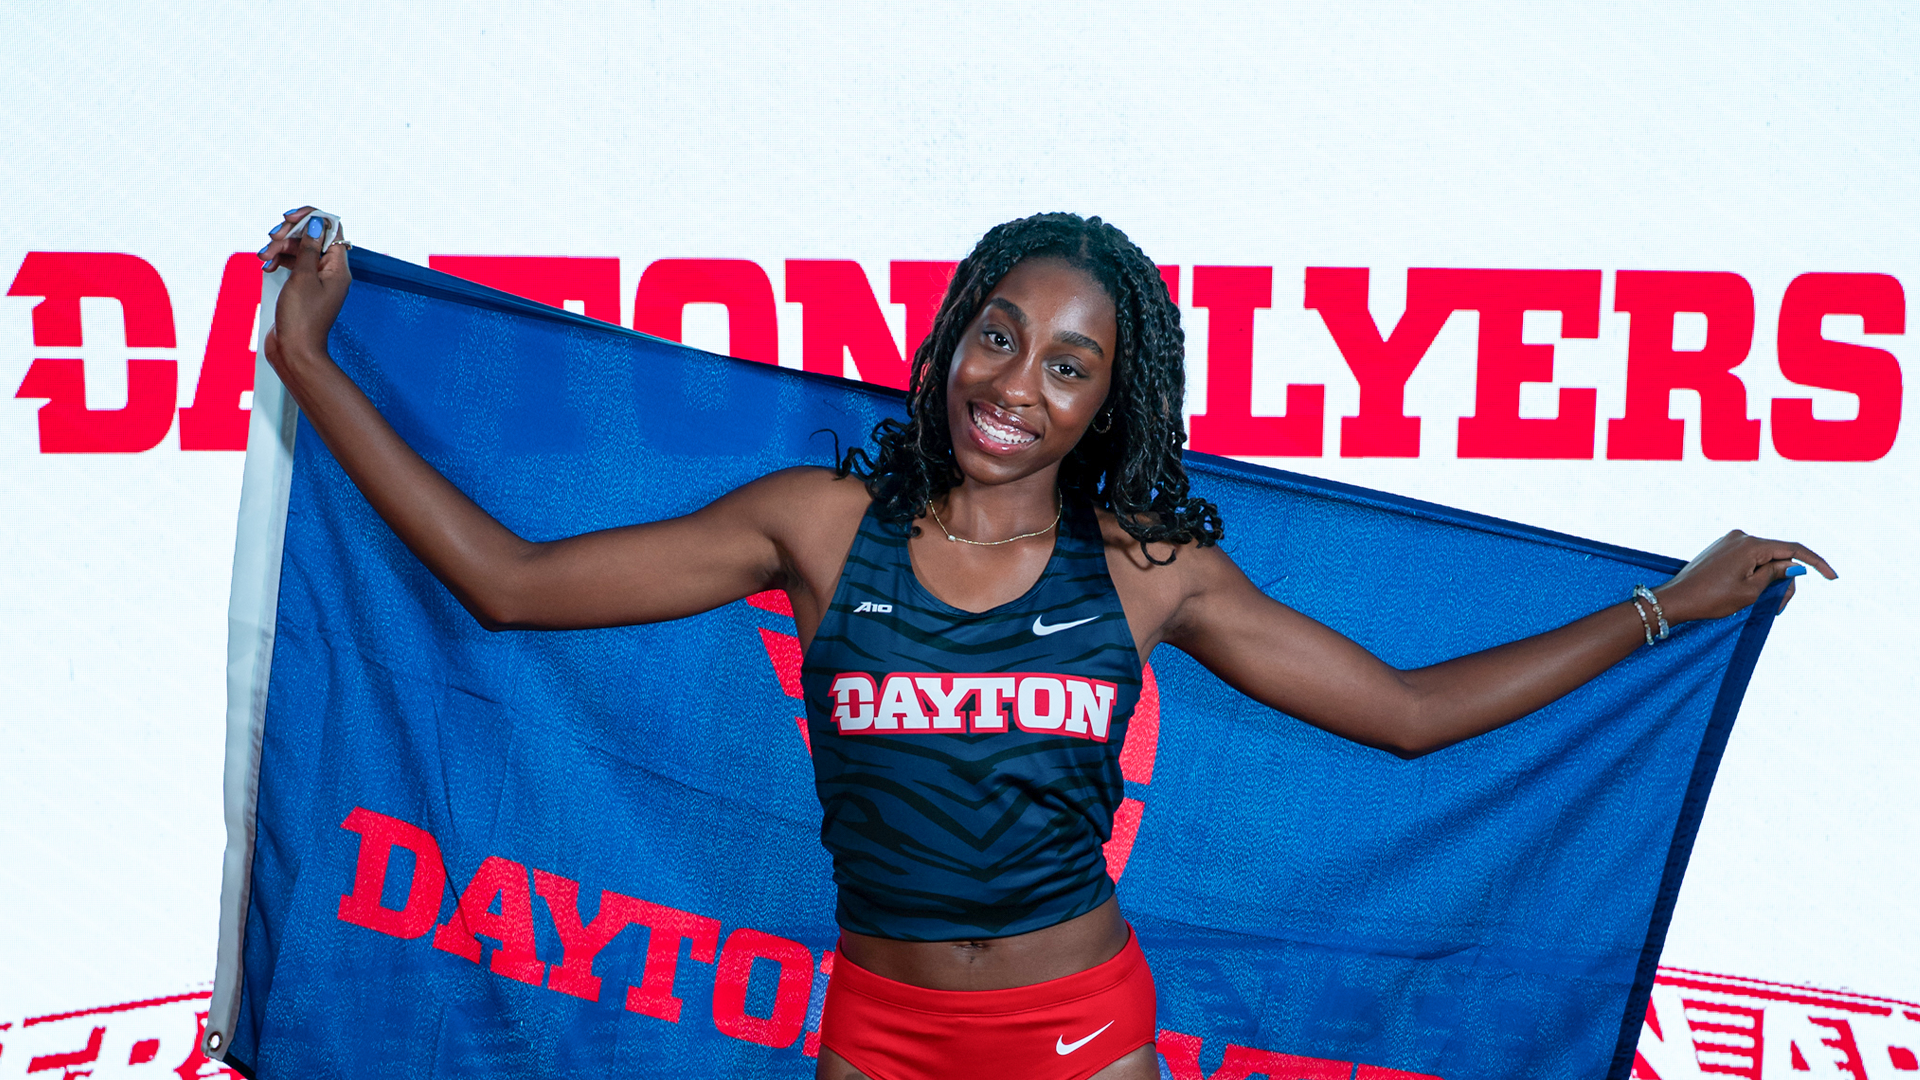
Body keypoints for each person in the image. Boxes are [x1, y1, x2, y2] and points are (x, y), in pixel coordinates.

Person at [257, 208, 1833, 1080]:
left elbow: (1408, 713)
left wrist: (1664, 610)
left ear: (1110, 401)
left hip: (1076, 1039)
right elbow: (512, 583)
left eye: (1069, 365)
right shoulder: (815, 527)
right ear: (952, 336)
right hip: (876, 1034)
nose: (1016, 381)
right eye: (997, 335)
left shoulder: (1146, 570)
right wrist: (306, 358)